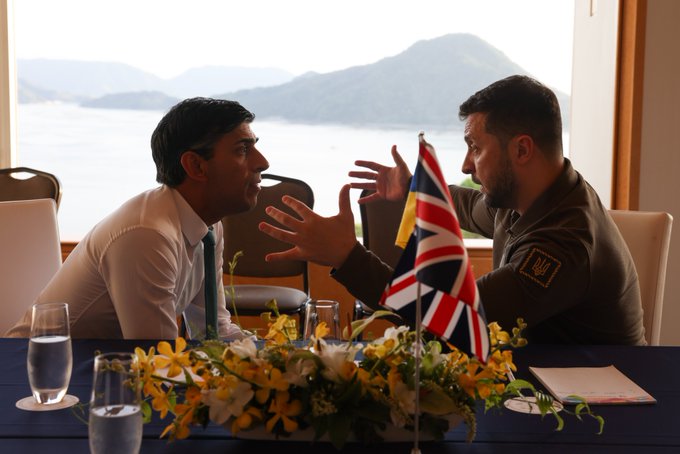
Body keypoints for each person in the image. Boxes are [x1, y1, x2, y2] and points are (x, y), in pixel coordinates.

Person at [259, 75, 646, 345]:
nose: (466, 166)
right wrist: (415, 188)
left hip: (595, 404)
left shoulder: (565, 242)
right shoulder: (530, 197)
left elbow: (448, 313)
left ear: (522, 149)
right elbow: (470, 205)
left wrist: (347, 254)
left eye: (475, 147)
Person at [6, 97, 269, 340]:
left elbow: (213, 331)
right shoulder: (147, 234)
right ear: (196, 166)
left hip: (106, 369)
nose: (263, 162)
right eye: (242, 150)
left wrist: (270, 360)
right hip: (35, 374)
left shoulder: (209, 227)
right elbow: (156, 357)